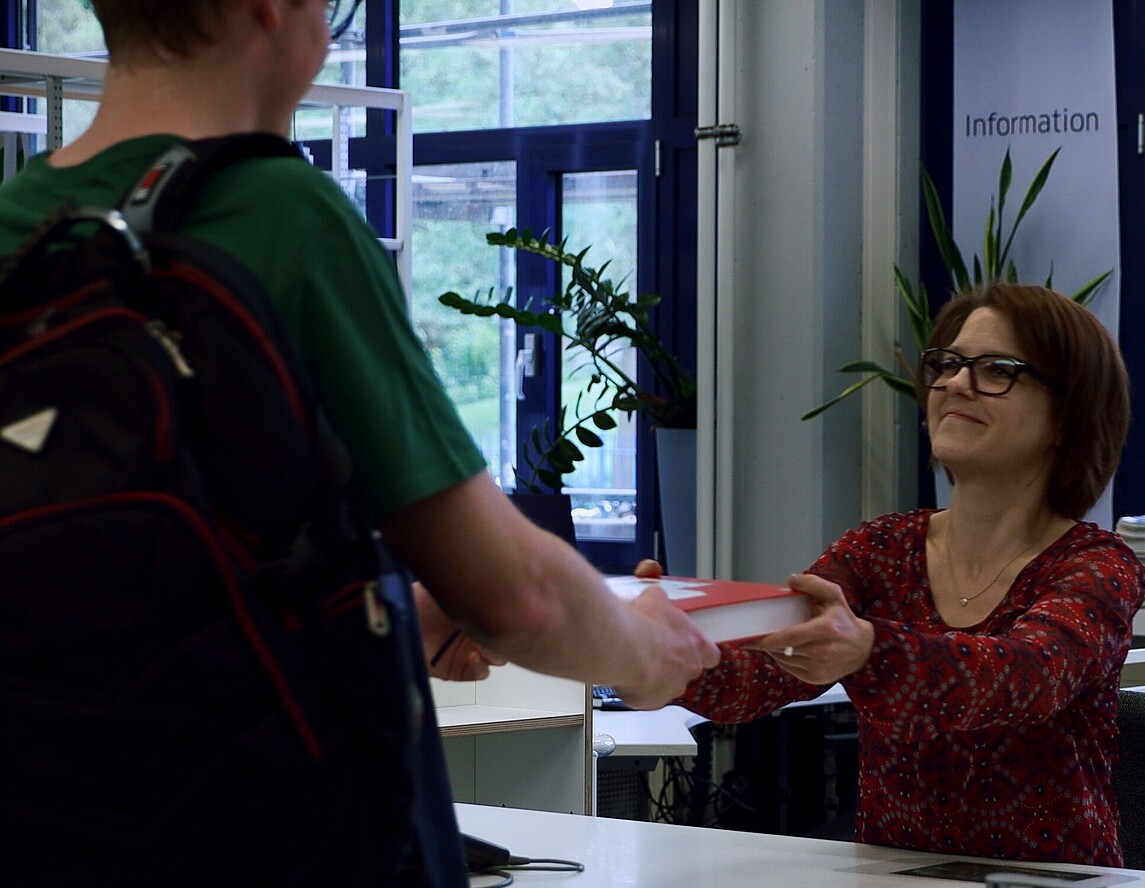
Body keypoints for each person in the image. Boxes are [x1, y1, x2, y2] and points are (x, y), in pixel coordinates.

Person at [0, 0, 717, 880]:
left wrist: (411, 618)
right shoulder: (278, 211)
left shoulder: (20, 222)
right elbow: (516, 595)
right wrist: (648, 652)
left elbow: (154, 584)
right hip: (262, 830)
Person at [640, 282, 1144, 866]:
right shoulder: (881, 549)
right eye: (948, 364)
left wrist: (867, 652)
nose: (956, 383)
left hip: (1052, 884)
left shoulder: (1098, 565)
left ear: (1068, 414)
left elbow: (1025, 679)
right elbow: (762, 676)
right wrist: (663, 649)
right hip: (890, 876)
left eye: (997, 369)